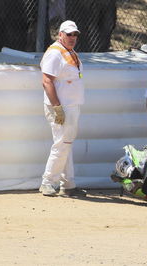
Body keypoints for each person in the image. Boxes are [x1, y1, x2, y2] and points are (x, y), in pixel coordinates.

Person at [39, 20, 86, 197]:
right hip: (62, 107)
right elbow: (46, 81)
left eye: (75, 34)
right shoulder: (55, 53)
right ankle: (47, 182)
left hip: (70, 106)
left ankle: (68, 184)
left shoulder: (68, 51)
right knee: (62, 144)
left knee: (66, 144)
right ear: (60, 34)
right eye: (69, 34)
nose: (72, 37)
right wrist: (57, 107)